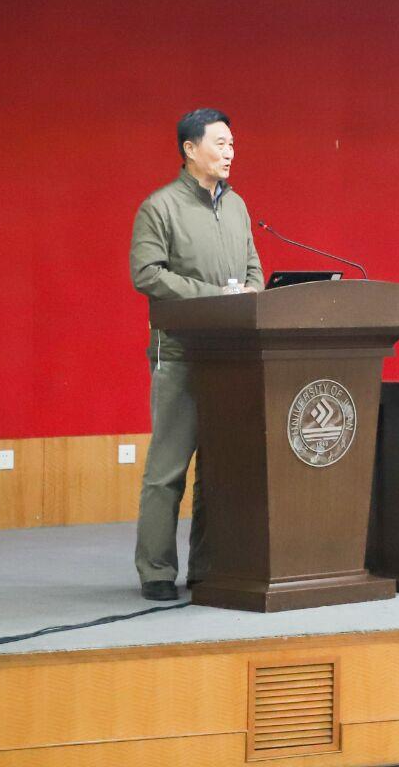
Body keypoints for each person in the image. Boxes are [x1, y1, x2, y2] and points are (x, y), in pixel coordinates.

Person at [128, 108, 264, 600]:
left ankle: (208, 567)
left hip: (231, 357)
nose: (230, 153)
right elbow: (146, 273)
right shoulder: (159, 207)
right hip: (181, 352)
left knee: (218, 469)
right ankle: (156, 570)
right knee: (168, 470)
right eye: (220, 143)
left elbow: (254, 271)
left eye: (233, 144)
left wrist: (247, 293)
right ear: (190, 149)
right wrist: (213, 297)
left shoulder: (238, 206)